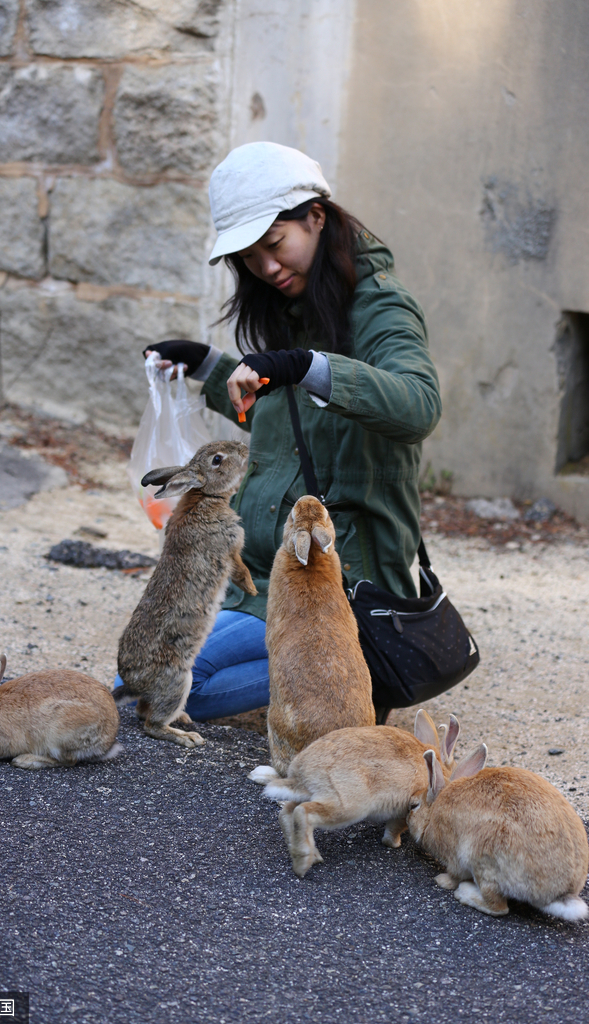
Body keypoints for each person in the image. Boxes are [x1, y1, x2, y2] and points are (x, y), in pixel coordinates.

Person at [116, 141, 441, 723]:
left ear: (316, 217)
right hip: (272, 580)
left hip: (340, 584)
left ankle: (356, 664)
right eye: (248, 256)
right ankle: (325, 671)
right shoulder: (296, 306)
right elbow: (283, 421)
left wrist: (304, 365)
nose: (266, 267)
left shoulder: (380, 307)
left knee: (176, 692)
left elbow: (419, 406)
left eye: (274, 244)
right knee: (136, 677)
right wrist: (205, 364)